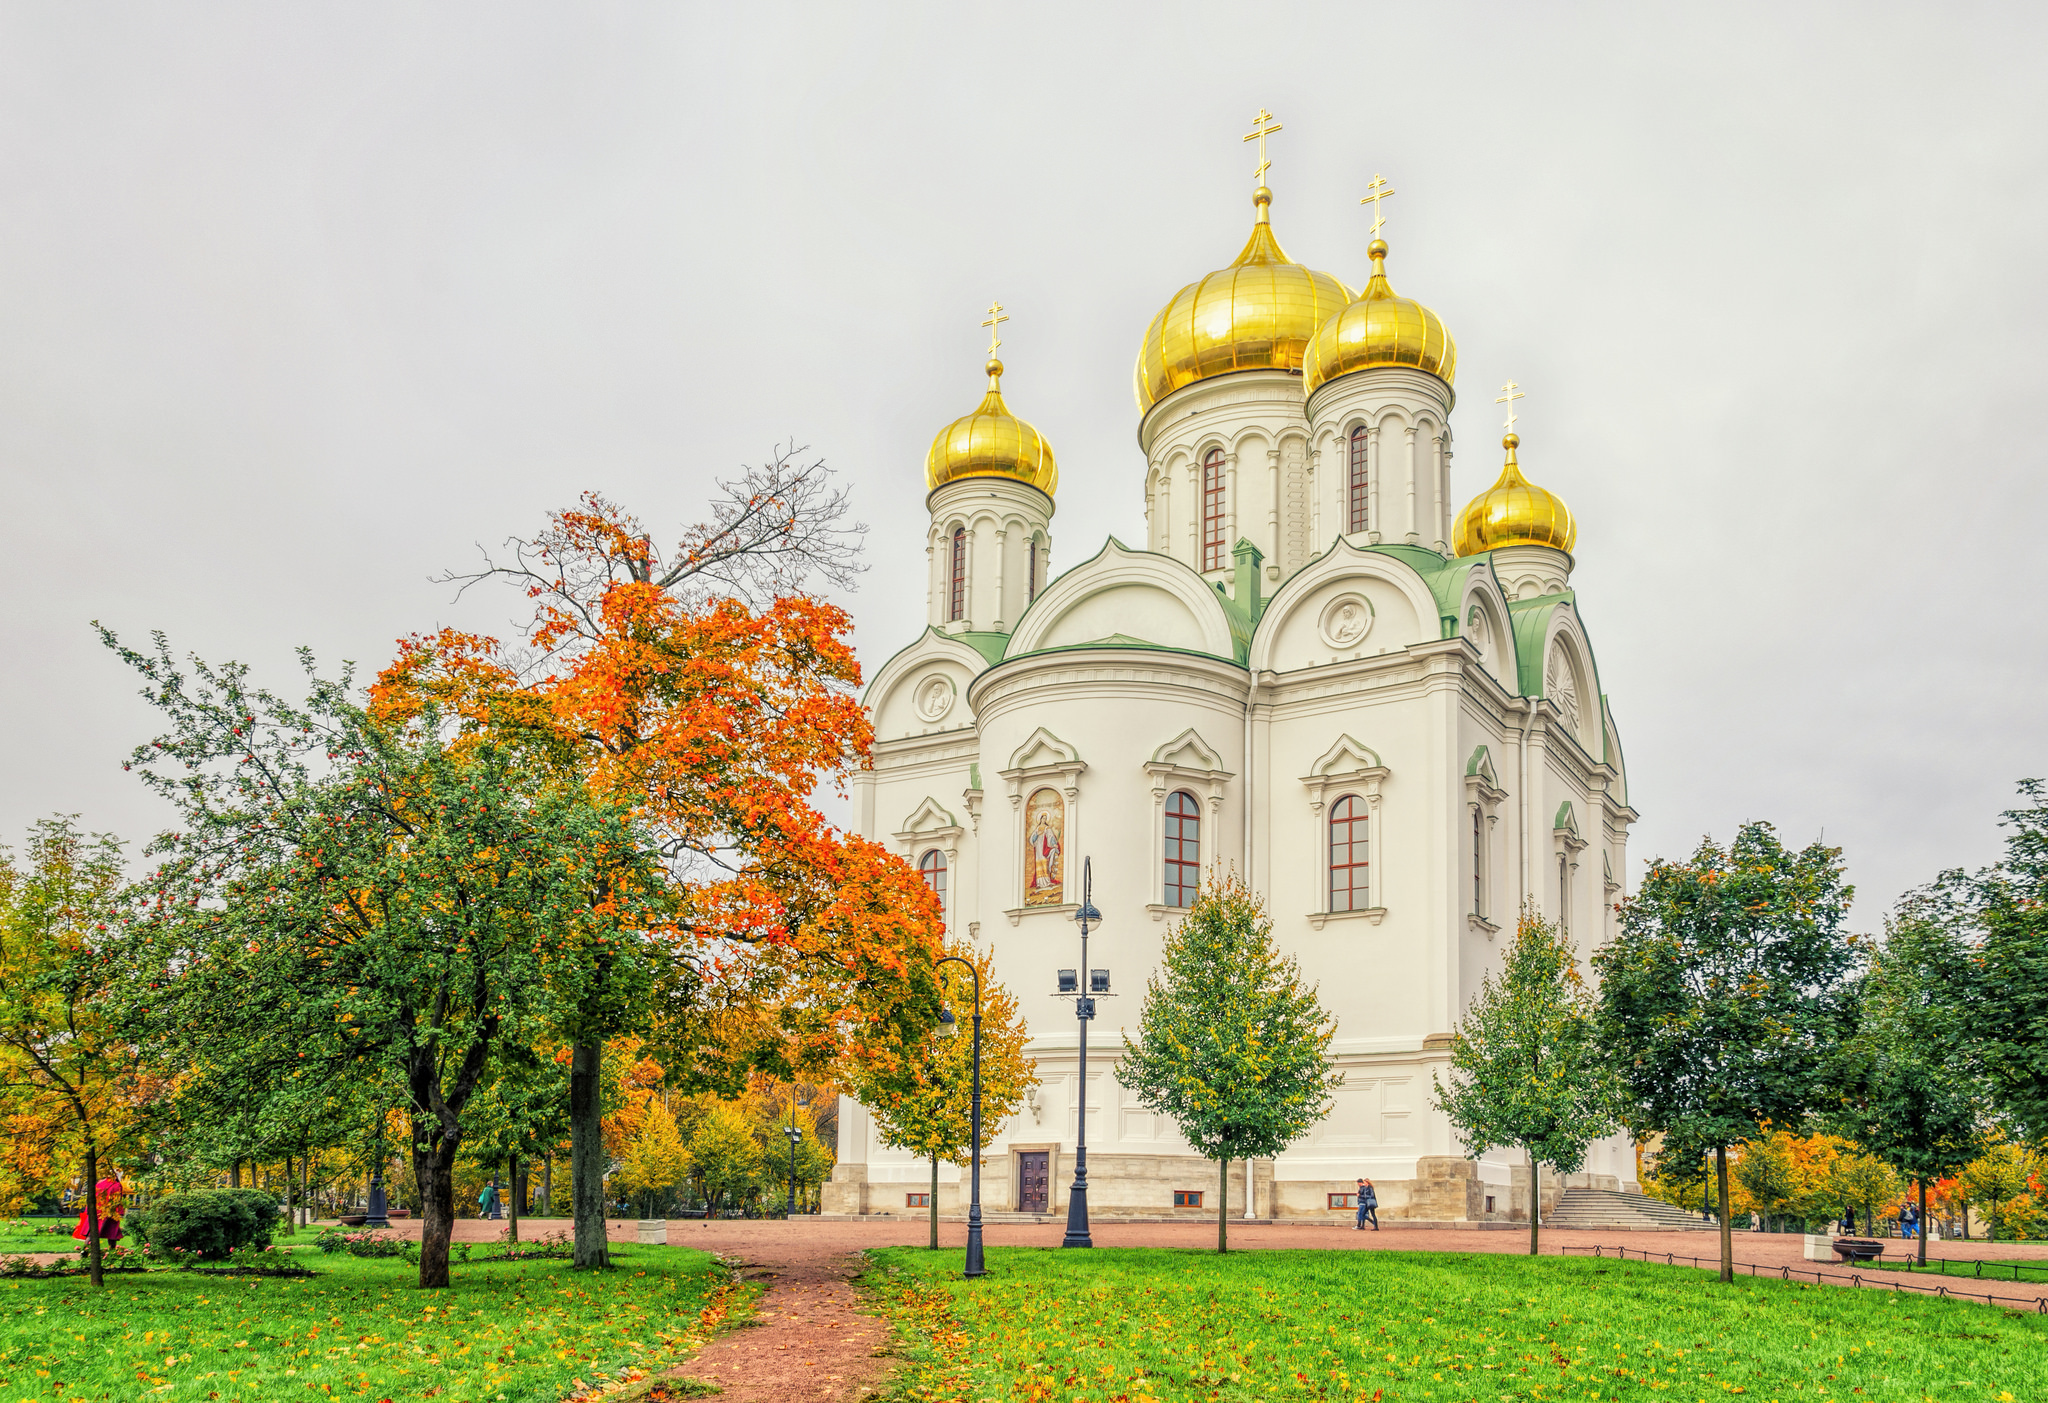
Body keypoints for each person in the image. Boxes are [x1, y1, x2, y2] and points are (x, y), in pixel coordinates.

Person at [71, 1177, 126, 1245]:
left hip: (97, 1211)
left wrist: (88, 1210)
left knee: (92, 1233)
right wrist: (119, 1212)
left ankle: (85, 1250)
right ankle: (112, 1252)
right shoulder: (116, 1185)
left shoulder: (100, 1183)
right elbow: (117, 1200)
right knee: (112, 1234)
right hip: (110, 1212)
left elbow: (93, 1196)